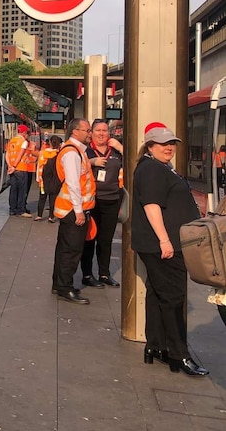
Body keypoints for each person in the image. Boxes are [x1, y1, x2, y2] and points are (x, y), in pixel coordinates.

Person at [132, 122, 208, 377]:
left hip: (160, 244)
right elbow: (151, 206)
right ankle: (179, 355)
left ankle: (156, 346)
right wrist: (165, 240)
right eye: (163, 144)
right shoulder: (153, 169)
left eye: (171, 144)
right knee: (174, 297)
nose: (169, 148)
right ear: (150, 146)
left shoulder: (158, 167)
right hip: (164, 246)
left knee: (158, 293)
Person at [51, 118, 95, 304]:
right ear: (75, 131)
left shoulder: (76, 151)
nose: (89, 133)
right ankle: (65, 287)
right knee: (71, 251)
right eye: (87, 130)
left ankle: (59, 284)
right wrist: (79, 211)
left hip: (70, 209)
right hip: (73, 210)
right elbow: (73, 184)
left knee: (64, 249)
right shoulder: (72, 153)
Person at [80, 119, 124, 288]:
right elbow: (76, 165)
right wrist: (92, 163)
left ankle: (104, 274)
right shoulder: (87, 150)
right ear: (91, 132)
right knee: (89, 239)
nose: (101, 133)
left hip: (112, 201)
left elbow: (135, 160)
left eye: (104, 131)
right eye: (98, 130)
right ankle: (87, 274)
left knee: (106, 240)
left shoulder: (115, 151)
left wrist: (120, 147)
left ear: (109, 134)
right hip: (92, 201)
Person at [6, 124, 32, 217]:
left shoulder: (11, 141)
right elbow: (20, 155)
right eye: (27, 132)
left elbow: (7, 155)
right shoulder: (23, 142)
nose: (27, 134)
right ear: (24, 132)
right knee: (22, 190)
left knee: (13, 190)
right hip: (21, 168)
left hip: (12, 170)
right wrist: (14, 166)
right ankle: (21, 210)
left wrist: (10, 166)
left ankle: (12, 209)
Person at [35, 135, 62, 222]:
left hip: (44, 180)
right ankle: (51, 217)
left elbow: (39, 166)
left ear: (50, 142)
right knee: (53, 198)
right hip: (55, 180)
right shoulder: (59, 153)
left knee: (42, 197)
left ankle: (39, 215)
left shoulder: (43, 153)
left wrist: (38, 178)